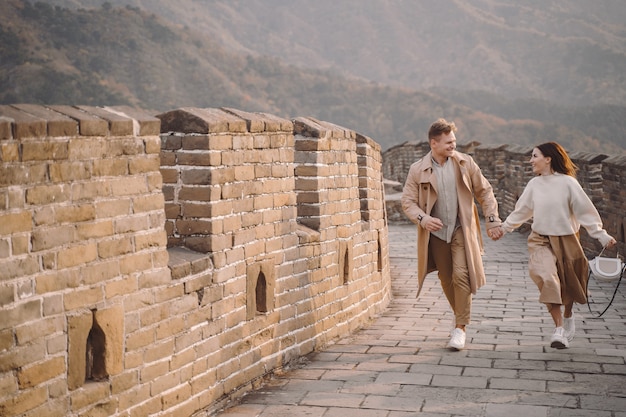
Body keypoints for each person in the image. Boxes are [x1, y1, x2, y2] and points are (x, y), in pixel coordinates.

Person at [492, 142, 616, 349]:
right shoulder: (534, 184)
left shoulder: (568, 183)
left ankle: (568, 316)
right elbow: (521, 211)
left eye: (534, 156)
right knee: (546, 277)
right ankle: (559, 329)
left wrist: (601, 235)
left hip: (567, 239)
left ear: (548, 159)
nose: (531, 160)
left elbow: (585, 212)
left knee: (567, 284)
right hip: (540, 239)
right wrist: (504, 229)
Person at [401, 118, 503, 350]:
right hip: (435, 233)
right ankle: (460, 317)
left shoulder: (466, 164)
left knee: (460, 275)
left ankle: (460, 328)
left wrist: (492, 219)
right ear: (433, 143)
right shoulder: (417, 169)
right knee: (446, 278)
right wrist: (423, 219)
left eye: (454, 141)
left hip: (461, 229)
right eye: (448, 142)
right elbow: (407, 202)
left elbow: (485, 192)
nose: (453, 146)